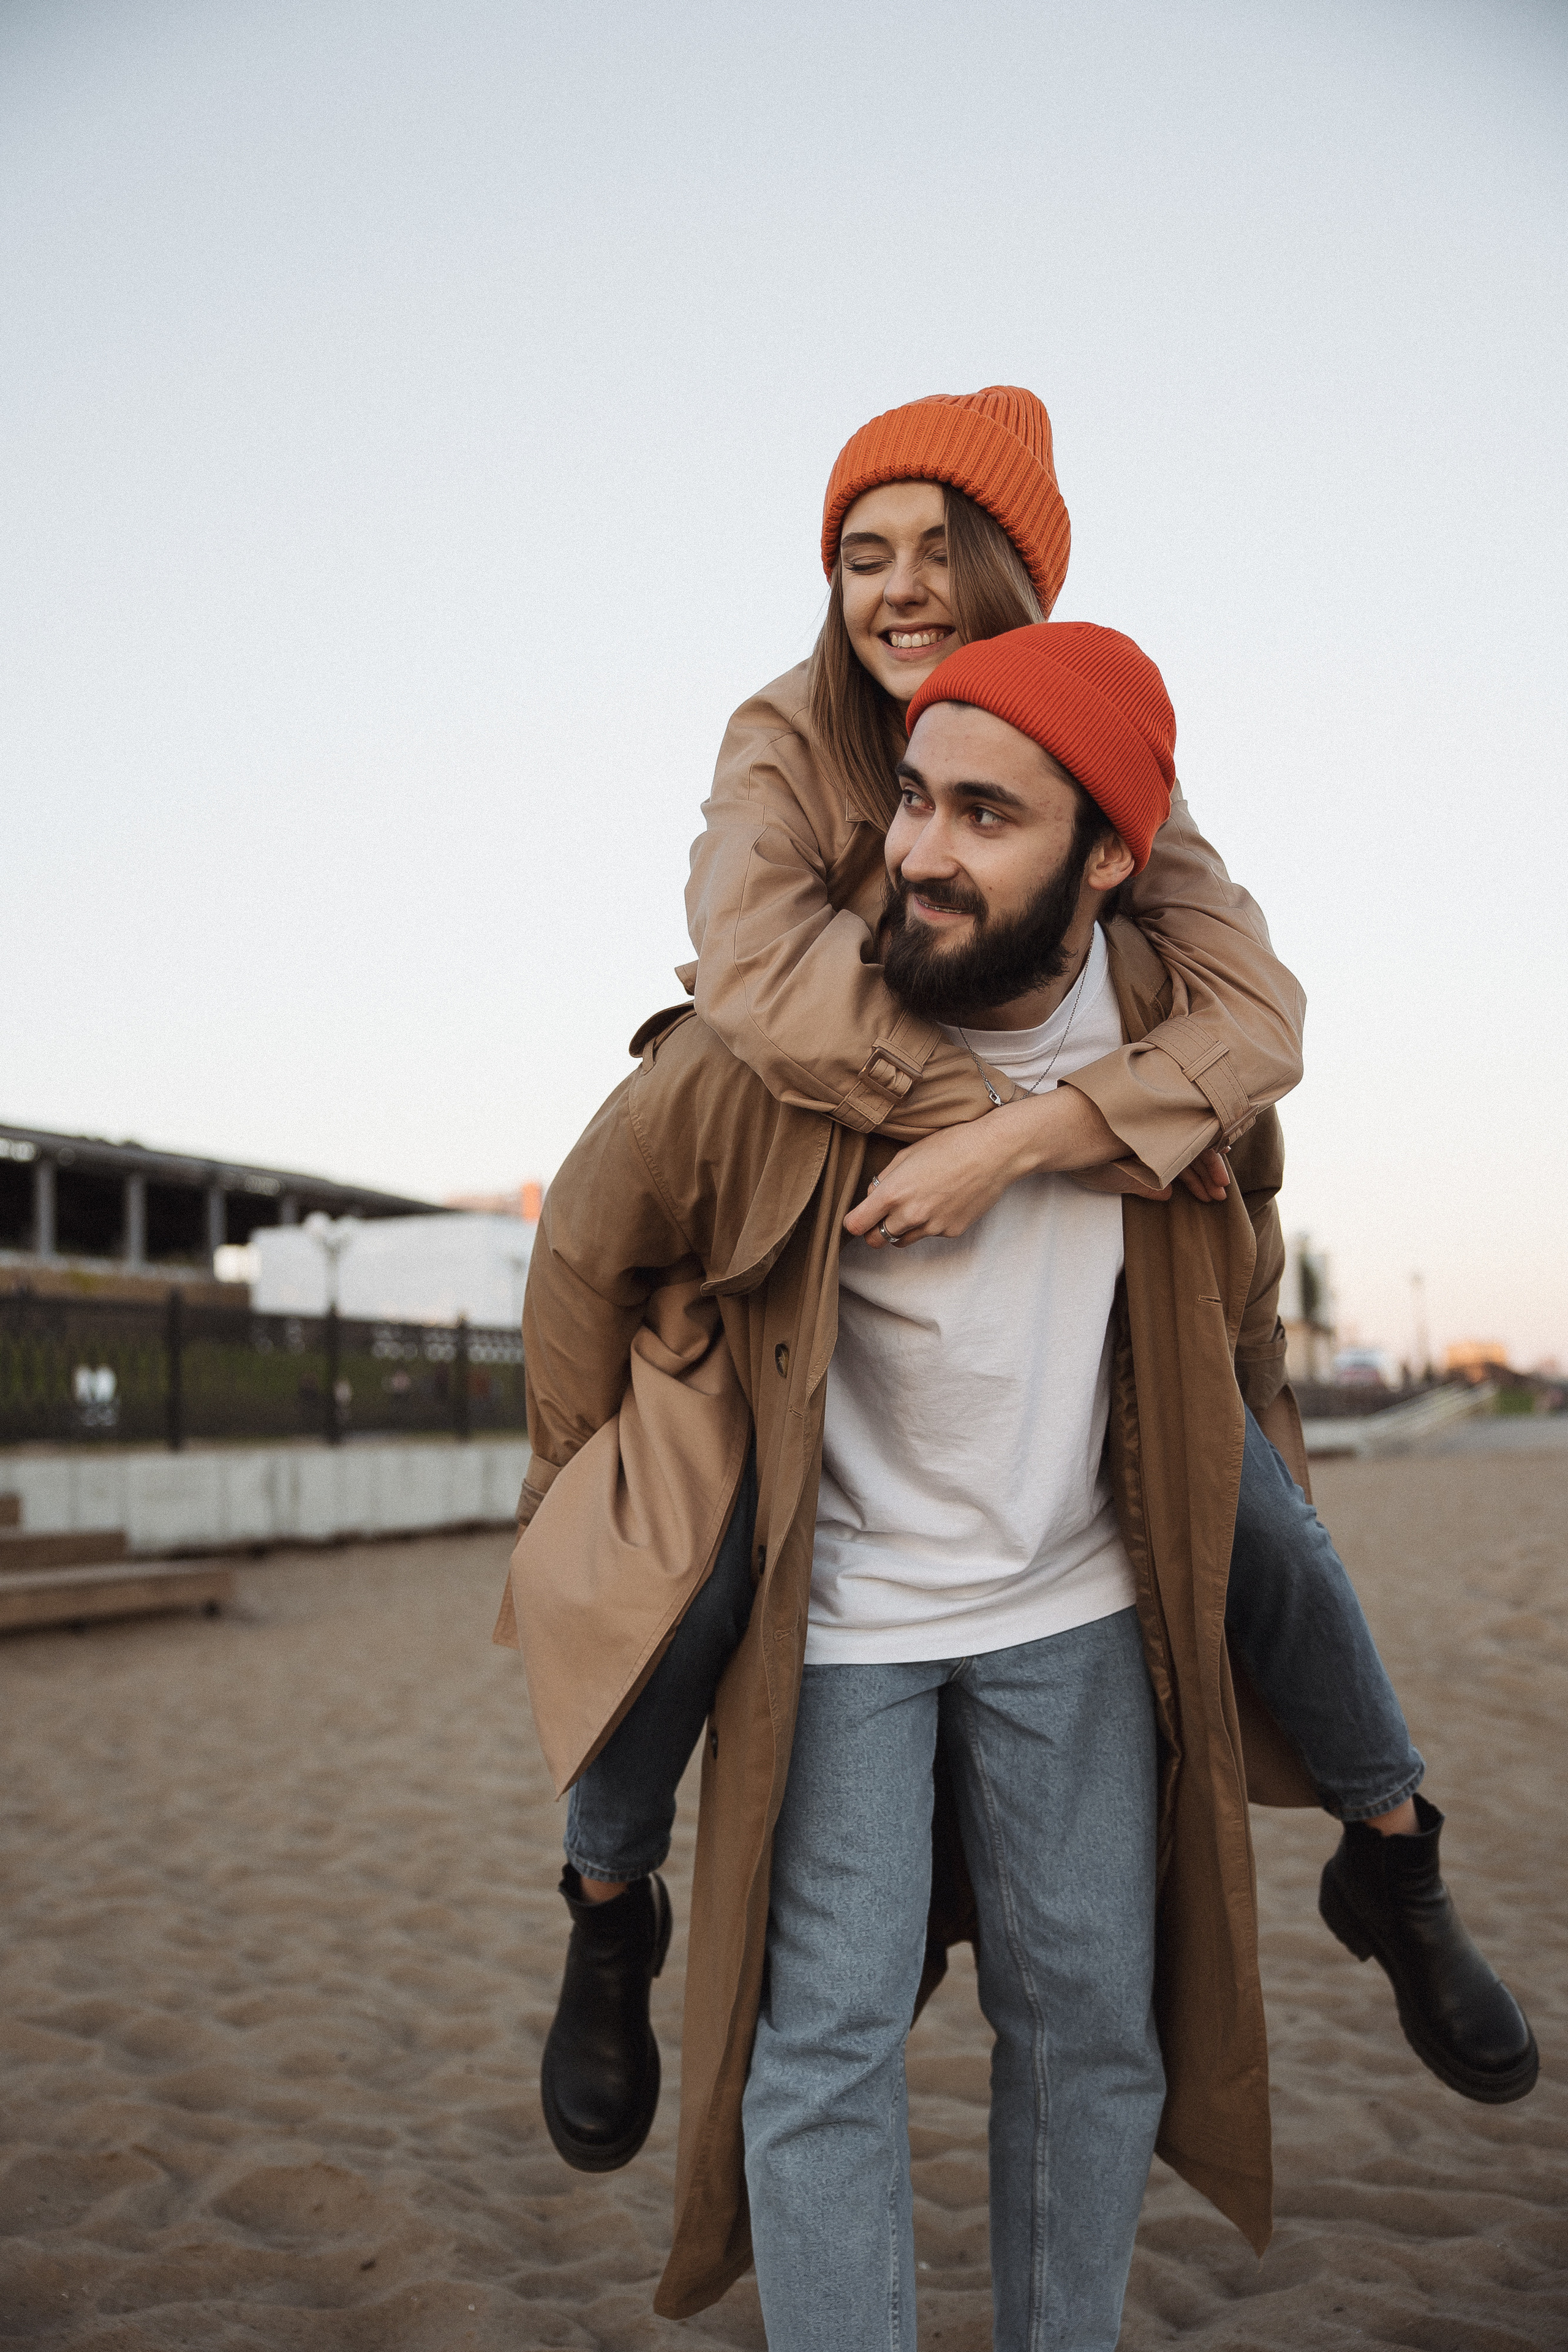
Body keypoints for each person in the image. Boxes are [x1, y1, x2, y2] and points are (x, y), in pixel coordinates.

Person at [524, 384, 1536, 2186]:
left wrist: (1054, 1136)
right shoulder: (785, 740)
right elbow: (757, 979)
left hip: (1061, 1286)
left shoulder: (1094, 749)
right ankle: (609, 1908)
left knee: (1264, 1524)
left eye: (939, 549)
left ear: (1016, 576)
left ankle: (1393, 1852)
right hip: (787, 1257)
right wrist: (1020, 1121)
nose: (899, 588)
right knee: (666, 1578)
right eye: (861, 554)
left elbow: (1257, 1016)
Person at [501, 619, 1290, 2342]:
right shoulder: (770, 1050)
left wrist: (1259, 1484)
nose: (923, 851)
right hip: (845, 1618)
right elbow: (583, 1247)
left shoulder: (1174, 1042)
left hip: (1077, 1602)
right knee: (824, 2049)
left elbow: (1245, 1292)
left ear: (1107, 858)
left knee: (1092, 2032)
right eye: (916, 798)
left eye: (986, 817)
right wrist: (583, 1517)